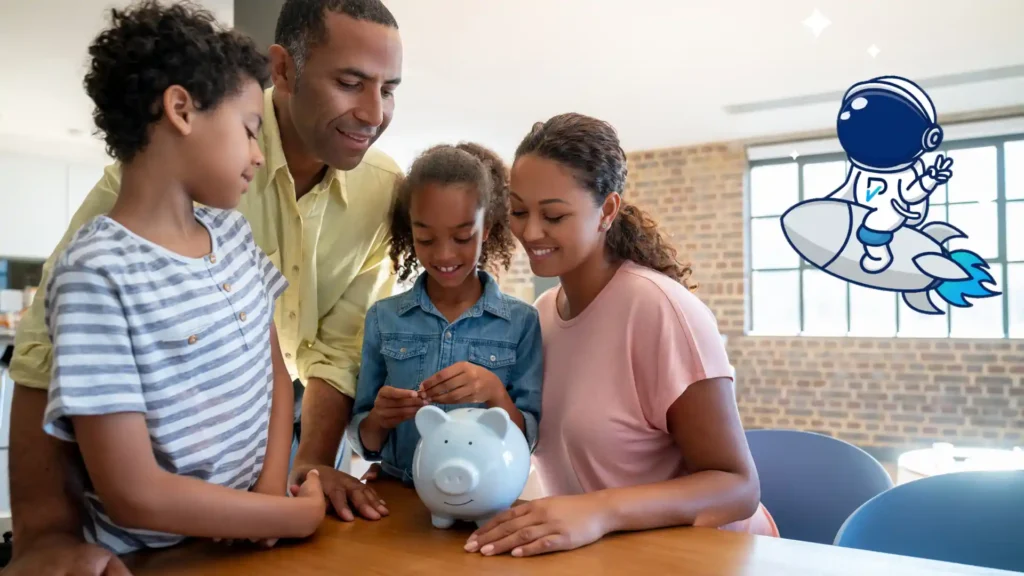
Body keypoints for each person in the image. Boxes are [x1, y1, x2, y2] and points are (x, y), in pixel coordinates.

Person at [6, 0, 402, 573]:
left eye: (389, 89)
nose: (374, 112)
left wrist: (293, 477)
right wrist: (43, 534)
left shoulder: (261, 222)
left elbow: (322, 357)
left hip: (250, 515)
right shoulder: (112, 243)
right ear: (284, 71)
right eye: (349, 82)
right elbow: (47, 353)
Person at [465, 114, 778, 558]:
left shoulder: (659, 310)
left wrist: (598, 511)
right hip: (610, 557)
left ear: (607, 211)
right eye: (518, 211)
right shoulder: (541, 316)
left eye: (553, 215)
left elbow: (737, 487)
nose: (530, 232)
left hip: (711, 557)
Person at [347, 143, 543, 486]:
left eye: (462, 236)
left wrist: (494, 390)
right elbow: (365, 444)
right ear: (411, 232)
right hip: (398, 497)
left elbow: (527, 442)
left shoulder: (522, 323)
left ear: (489, 229)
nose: (444, 254)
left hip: (484, 500)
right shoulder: (383, 318)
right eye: (425, 238)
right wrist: (379, 418)